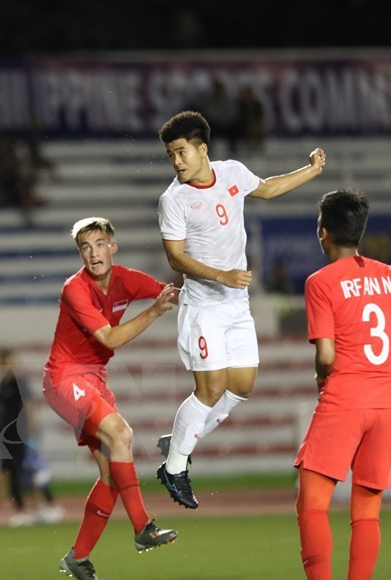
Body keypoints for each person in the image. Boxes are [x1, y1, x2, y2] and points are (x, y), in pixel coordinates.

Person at [155, 111, 326, 509]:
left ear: (202, 150)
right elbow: (176, 259)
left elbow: (266, 188)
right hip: (203, 307)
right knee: (211, 388)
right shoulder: (173, 199)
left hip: (236, 304)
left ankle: (182, 437)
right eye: (170, 155)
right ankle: (175, 465)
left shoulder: (231, 173)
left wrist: (311, 171)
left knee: (243, 387)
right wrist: (222, 275)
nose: (176, 161)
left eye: (181, 152)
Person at [44, 217, 179, 579]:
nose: (93, 253)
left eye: (100, 244)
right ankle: (142, 528)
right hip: (64, 378)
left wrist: (206, 285)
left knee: (111, 473)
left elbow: (171, 291)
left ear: (112, 247)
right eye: (85, 247)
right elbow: (110, 339)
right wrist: (154, 310)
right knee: (121, 434)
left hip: (94, 380)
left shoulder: (125, 279)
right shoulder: (75, 288)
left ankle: (77, 557)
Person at [295, 189, 391, 580]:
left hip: (345, 398)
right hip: (387, 405)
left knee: (312, 505)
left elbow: (327, 356)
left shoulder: (321, 282)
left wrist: (319, 376)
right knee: (366, 512)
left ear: (322, 232)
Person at [0, 348, 63, 527]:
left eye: (8, 361)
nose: (5, 366)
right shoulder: (2, 384)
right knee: (6, 471)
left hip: (18, 435)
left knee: (24, 471)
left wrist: (30, 434)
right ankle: (17, 508)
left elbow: (29, 407)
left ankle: (38, 507)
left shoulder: (18, 382)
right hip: (4, 436)